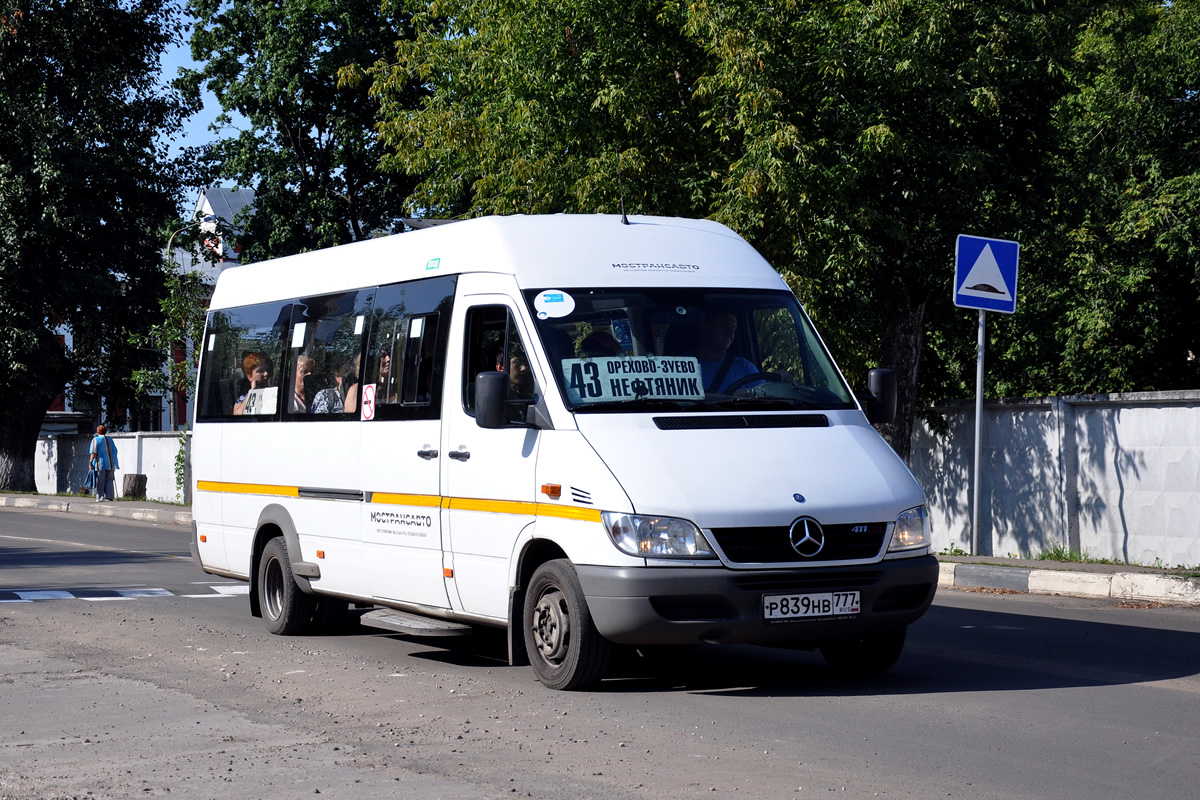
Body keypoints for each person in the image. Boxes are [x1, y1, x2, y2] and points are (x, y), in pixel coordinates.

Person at [690, 307, 763, 393]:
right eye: (725, 326)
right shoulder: (680, 364)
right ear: (705, 326)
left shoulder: (744, 367)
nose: (730, 333)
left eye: (734, 328)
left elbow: (765, 395)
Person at [88, 424, 120, 502]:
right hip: (111, 463)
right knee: (109, 480)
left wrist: (90, 462)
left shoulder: (96, 440)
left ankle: (100, 497)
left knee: (100, 480)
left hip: (100, 464)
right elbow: (115, 450)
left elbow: (94, 452)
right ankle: (110, 496)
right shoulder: (110, 439)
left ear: (98, 431)